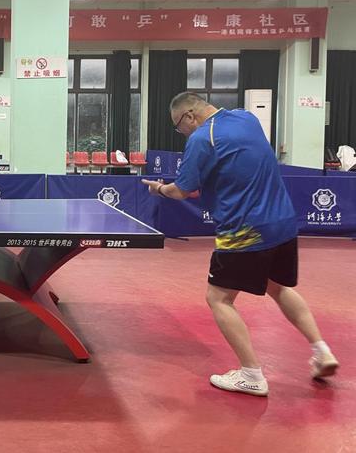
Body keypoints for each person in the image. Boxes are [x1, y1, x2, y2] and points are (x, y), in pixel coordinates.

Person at [142, 92, 338, 397]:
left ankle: (251, 375)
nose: (182, 133)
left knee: (218, 298)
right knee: (279, 287)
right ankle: (322, 351)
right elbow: (236, 165)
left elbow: (181, 191)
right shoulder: (247, 118)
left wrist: (159, 189)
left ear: (189, 116)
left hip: (244, 229)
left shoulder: (201, 138)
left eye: (179, 127)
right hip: (283, 221)